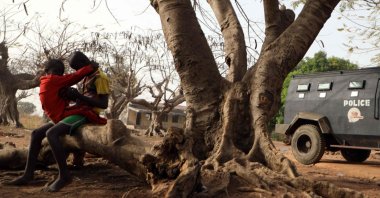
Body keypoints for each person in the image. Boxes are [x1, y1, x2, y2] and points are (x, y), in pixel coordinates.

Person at [5, 53, 110, 192]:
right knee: (36, 134)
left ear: (85, 65)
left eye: (78, 68)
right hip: (71, 111)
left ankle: (64, 175)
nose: (76, 72)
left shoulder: (99, 76)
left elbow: (103, 104)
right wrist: (71, 96)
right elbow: (79, 93)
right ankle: (28, 174)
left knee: (51, 133)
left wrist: (77, 96)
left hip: (84, 114)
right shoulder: (87, 76)